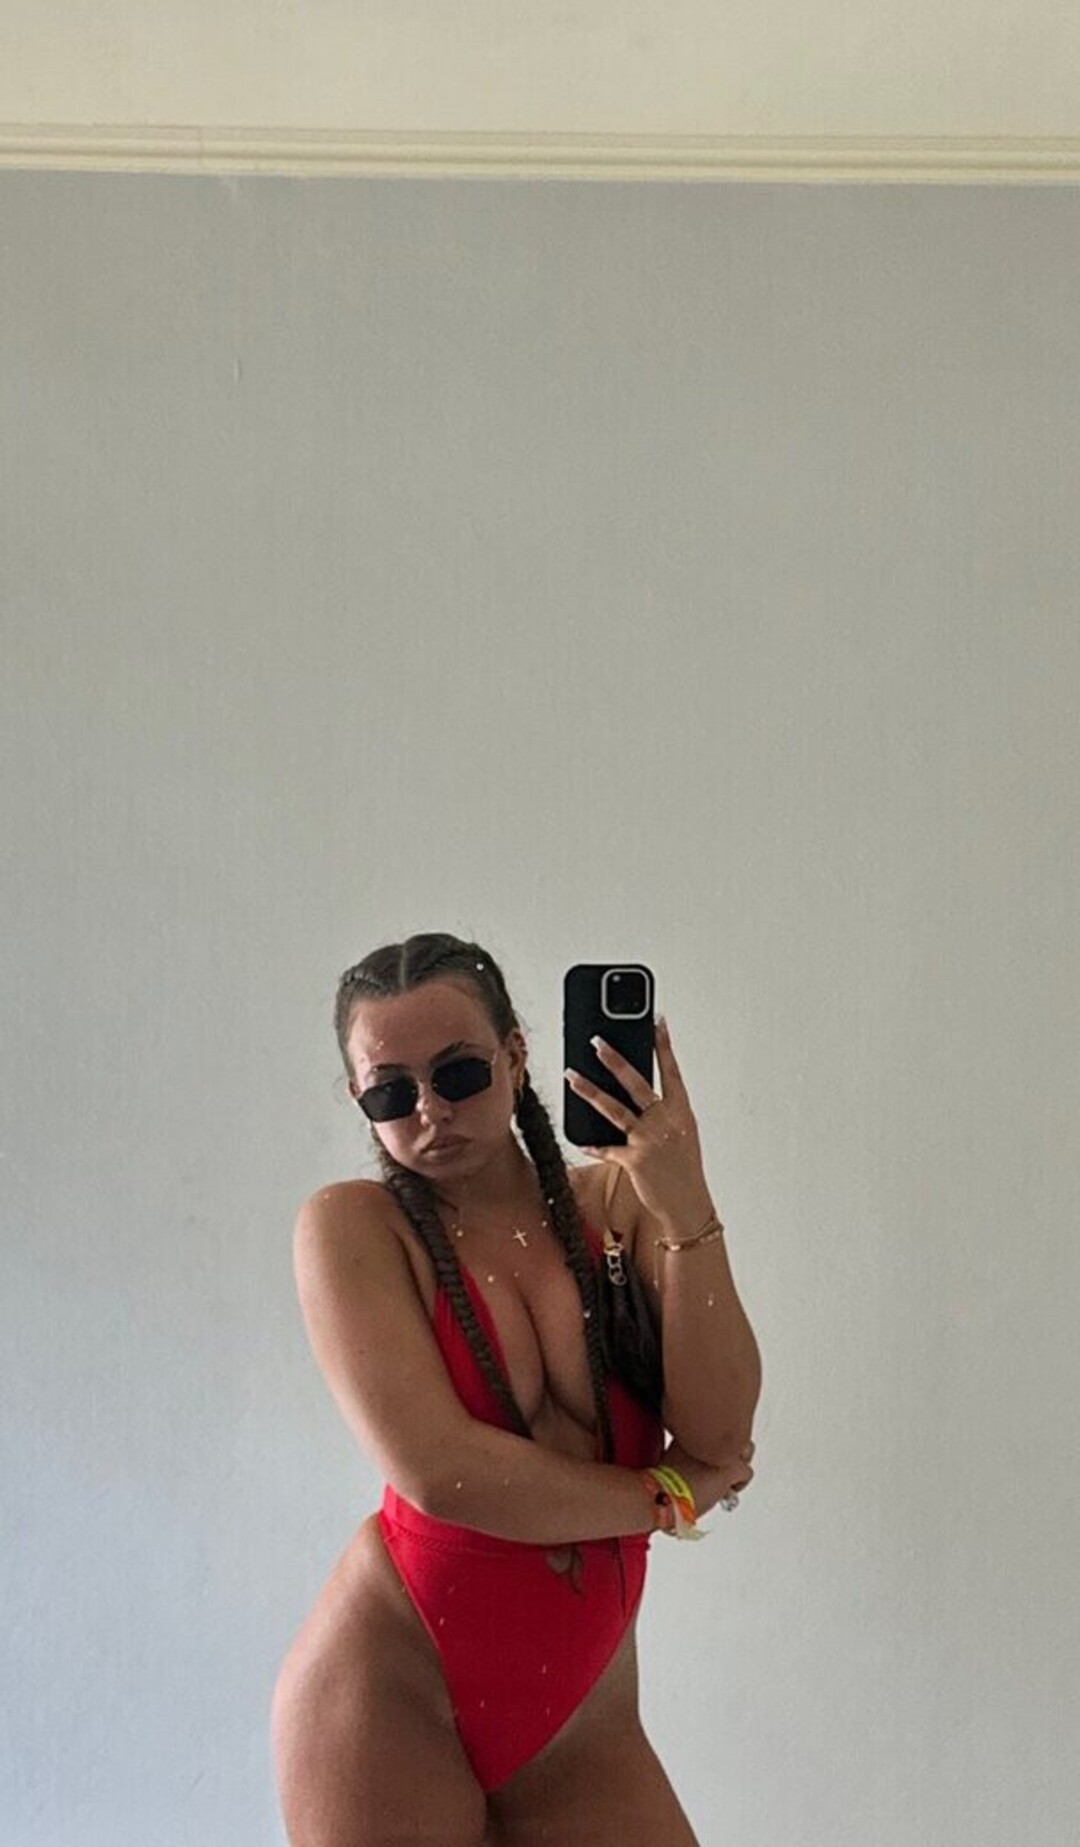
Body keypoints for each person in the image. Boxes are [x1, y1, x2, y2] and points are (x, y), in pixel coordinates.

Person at [271, 933, 761, 1846]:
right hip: (391, 1686)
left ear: (517, 1053)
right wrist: (664, 1496)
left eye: (459, 1073)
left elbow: (721, 1434)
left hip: (583, 1721)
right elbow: (441, 1472)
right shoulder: (355, 1227)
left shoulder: (617, 1205)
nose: (430, 1110)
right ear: (359, 1099)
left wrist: (686, 1204)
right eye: (390, 1092)